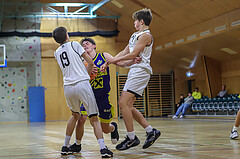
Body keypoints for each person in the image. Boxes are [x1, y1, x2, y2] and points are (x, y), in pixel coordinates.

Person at [101, 8, 161, 151]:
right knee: (128, 106)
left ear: (141, 21)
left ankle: (131, 138)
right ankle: (150, 131)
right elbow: (125, 52)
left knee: (122, 103)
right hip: (134, 71)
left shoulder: (146, 36)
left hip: (141, 71)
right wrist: (112, 60)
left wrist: (111, 61)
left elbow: (134, 53)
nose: (134, 23)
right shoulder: (135, 35)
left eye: (135, 20)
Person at [69, 37, 142, 153]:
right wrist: (86, 71)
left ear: (94, 46)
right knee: (81, 119)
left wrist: (132, 62)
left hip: (102, 97)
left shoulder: (104, 56)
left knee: (105, 129)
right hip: (88, 96)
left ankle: (113, 127)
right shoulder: (81, 62)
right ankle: (77, 144)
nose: (84, 46)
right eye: (82, 45)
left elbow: (120, 63)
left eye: (87, 43)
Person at [52, 27, 113, 158]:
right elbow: (90, 62)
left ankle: (65, 146)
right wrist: (87, 74)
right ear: (67, 35)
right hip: (82, 83)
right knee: (94, 119)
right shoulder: (74, 44)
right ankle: (103, 148)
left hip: (68, 86)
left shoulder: (56, 52)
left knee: (75, 115)